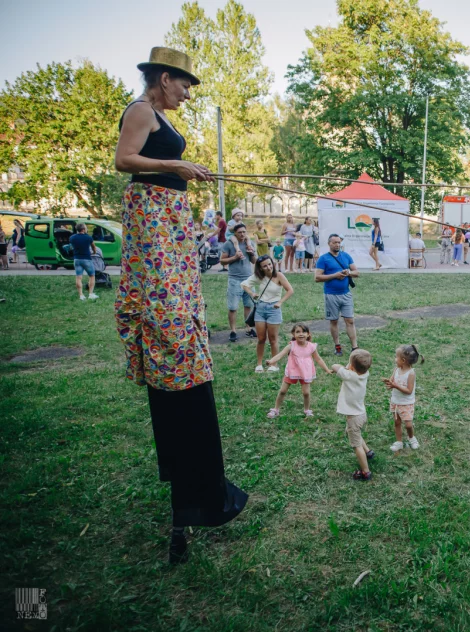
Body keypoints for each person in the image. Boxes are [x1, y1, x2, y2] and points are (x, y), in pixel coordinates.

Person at [114, 46, 246, 563]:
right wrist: (175, 164)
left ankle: (184, 340)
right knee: (166, 303)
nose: (188, 93)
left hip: (168, 212)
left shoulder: (161, 114)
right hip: (151, 213)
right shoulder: (141, 109)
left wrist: (184, 173)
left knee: (183, 297)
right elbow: (125, 160)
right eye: (184, 84)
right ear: (163, 78)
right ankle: (170, 343)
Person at [264, 323, 332, 418]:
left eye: (304, 331)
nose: (301, 334)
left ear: (308, 334)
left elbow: (318, 359)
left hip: (306, 372)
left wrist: (327, 369)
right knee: (283, 391)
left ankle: (307, 410)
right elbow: (280, 354)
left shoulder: (311, 347)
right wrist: (271, 361)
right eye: (298, 332)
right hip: (292, 371)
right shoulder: (291, 346)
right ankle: (276, 409)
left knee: (306, 393)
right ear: (293, 334)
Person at [242, 255, 294, 372]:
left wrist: (280, 302)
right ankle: (259, 364)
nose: (268, 267)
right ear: (260, 268)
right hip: (260, 308)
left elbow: (290, 290)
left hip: (274, 308)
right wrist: (252, 293)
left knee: (273, 338)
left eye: (270, 264)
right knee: (261, 338)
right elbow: (244, 284)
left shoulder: (279, 276)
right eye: (265, 266)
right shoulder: (259, 277)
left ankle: (273, 364)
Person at [332, 349, 374, 481]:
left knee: (356, 445)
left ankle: (365, 472)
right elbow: (351, 368)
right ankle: (368, 452)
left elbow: (335, 366)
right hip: (361, 413)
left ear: (351, 367)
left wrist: (346, 367)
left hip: (354, 418)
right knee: (357, 434)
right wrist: (350, 365)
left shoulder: (350, 375)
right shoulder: (365, 374)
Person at [314, 234, 360, 356]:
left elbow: (357, 272)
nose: (337, 245)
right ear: (329, 243)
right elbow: (317, 277)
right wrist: (335, 275)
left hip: (346, 294)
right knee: (334, 321)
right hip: (331, 295)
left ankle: (355, 347)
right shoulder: (323, 259)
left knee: (350, 320)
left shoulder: (346, 256)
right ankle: (337, 346)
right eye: (334, 242)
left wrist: (348, 272)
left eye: (339, 242)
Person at [220, 223, 258, 342]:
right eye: (239, 232)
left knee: (249, 305)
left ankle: (248, 328)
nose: (242, 234)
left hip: (248, 279)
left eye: (244, 232)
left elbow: (254, 261)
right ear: (235, 233)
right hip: (234, 279)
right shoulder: (229, 244)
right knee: (233, 307)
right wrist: (235, 257)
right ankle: (233, 331)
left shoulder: (250, 243)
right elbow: (222, 261)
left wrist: (251, 253)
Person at [384, 344, 424, 452]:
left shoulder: (411, 374)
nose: (395, 359)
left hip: (406, 403)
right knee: (397, 422)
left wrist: (395, 385)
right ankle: (399, 442)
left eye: (396, 357)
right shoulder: (396, 369)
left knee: (408, 424)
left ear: (403, 360)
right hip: (395, 402)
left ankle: (412, 438)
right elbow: (392, 380)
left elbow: (409, 391)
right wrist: (389, 383)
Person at [69, 222, 99, 300]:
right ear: (83, 229)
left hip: (77, 259)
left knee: (78, 277)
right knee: (92, 276)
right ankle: (91, 294)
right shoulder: (88, 237)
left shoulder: (72, 237)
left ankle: (81, 295)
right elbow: (94, 247)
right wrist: (94, 252)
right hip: (87, 259)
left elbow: (71, 247)